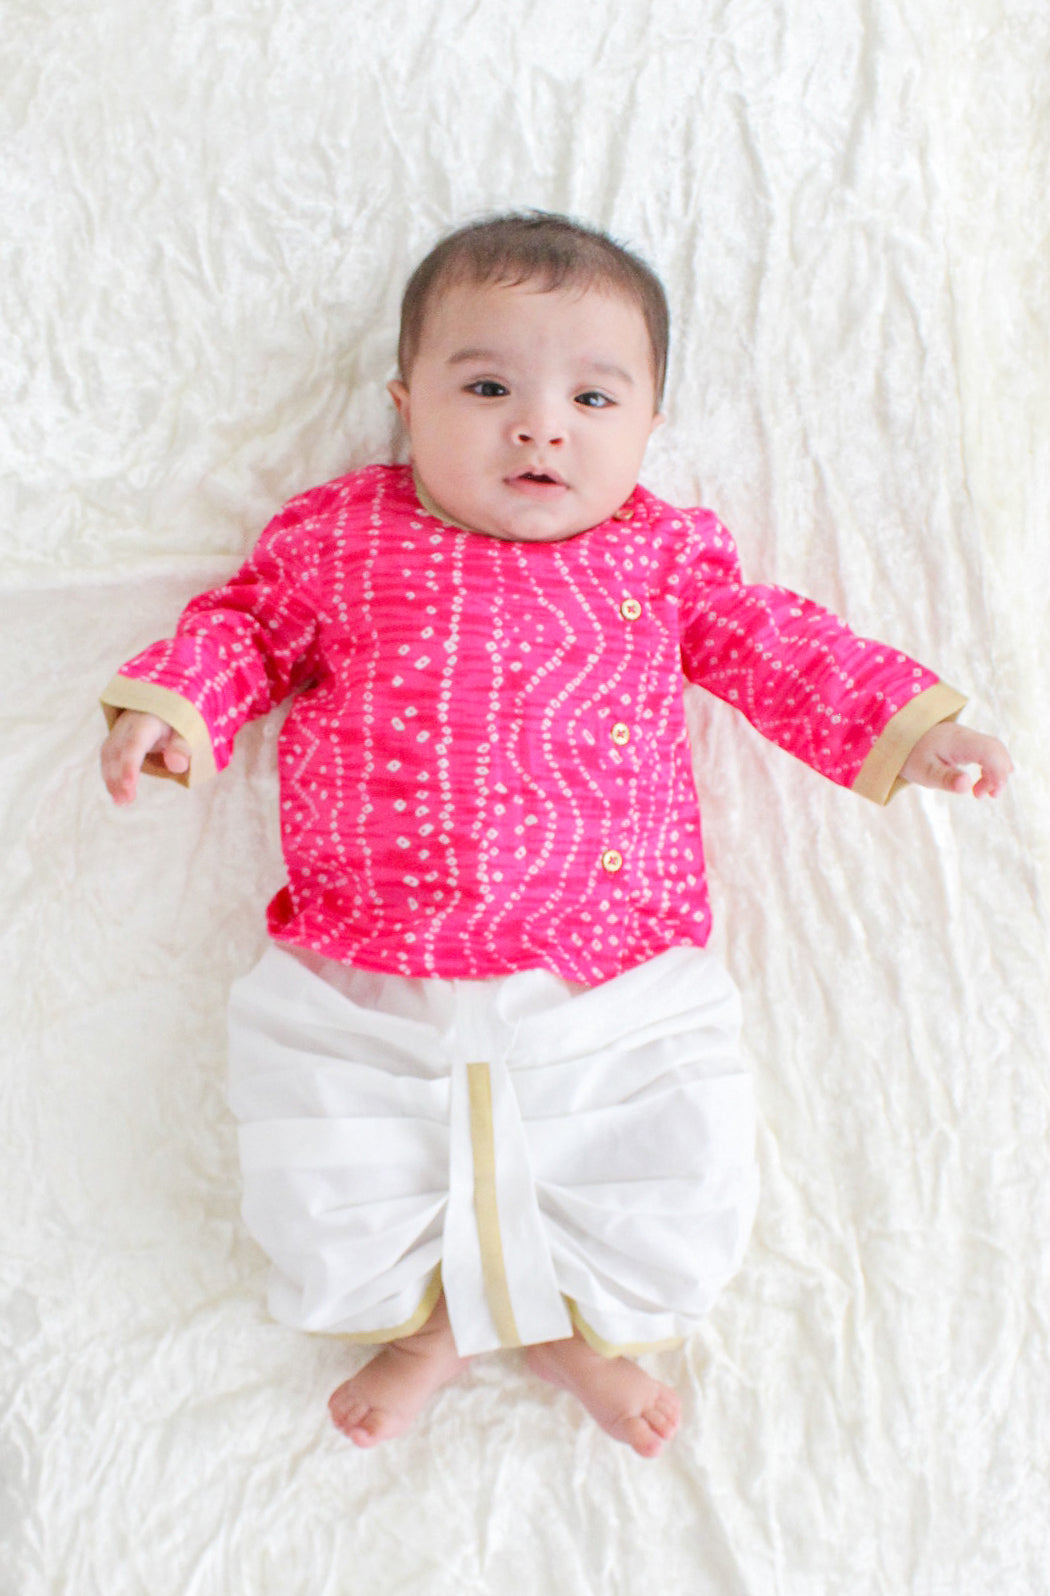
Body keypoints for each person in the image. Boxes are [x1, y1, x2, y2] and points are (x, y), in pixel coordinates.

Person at [99, 212, 1012, 1460]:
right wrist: (174, 710)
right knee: (337, 1154)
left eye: (593, 397)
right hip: (375, 951)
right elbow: (246, 631)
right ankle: (434, 1325)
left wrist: (912, 729)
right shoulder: (338, 540)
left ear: (649, 427)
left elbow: (777, 647)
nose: (540, 426)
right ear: (405, 406)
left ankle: (572, 1330)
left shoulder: (661, 557)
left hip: (608, 963)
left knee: (662, 1148)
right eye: (488, 389)